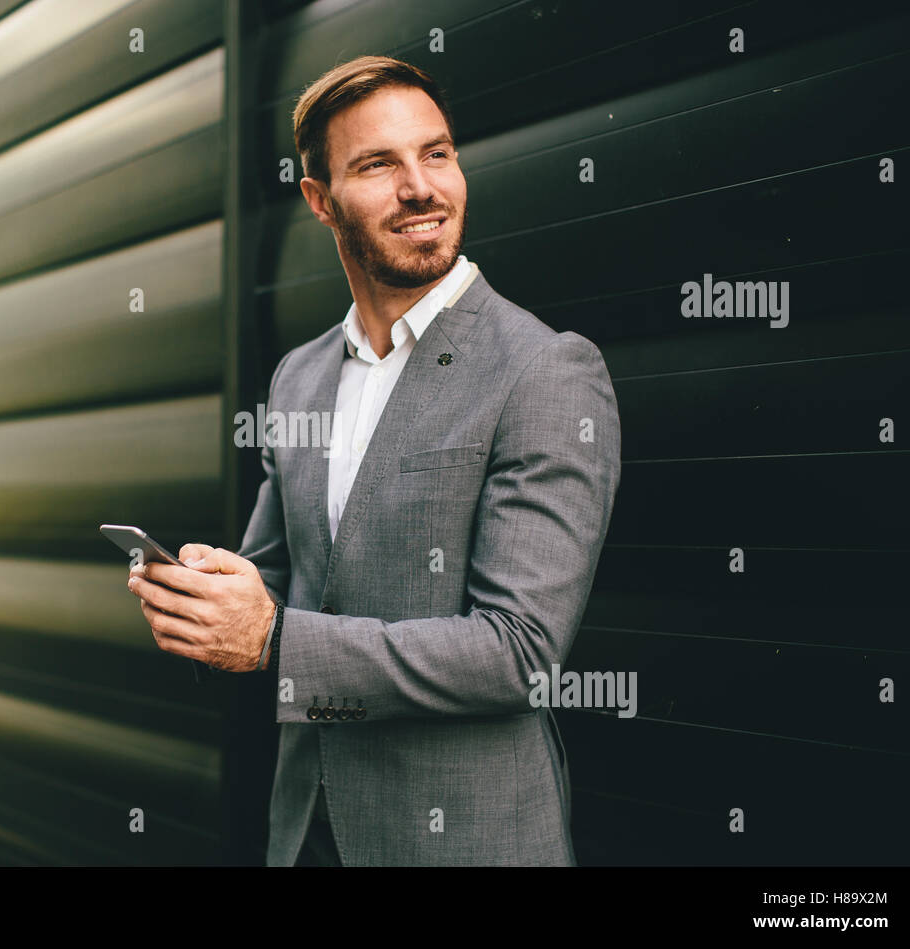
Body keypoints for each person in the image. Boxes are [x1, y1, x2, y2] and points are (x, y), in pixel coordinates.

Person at [127, 55, 621, 866]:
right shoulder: (301, 376)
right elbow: (277, 581)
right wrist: (202, 600)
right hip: (307, 834)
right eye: (379, 164)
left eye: (436, 153)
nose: (422, 187)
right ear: (320, 200)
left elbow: (519, 650)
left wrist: (274, 640)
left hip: (465, 842)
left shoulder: (545, 369)